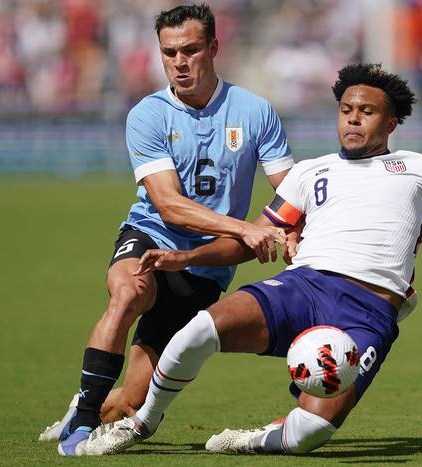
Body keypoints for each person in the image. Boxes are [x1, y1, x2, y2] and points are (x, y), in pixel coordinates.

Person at [81, 63, 422, 456]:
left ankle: (256, 439)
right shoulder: (311, 172)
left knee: (311, 435)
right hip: (303, 285)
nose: (353, 120)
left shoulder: (421, 169)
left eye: (368, 112)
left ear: (392, 121)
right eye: (346, 110)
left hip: (368, 311)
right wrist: (186, 257)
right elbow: (255, 238)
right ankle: (142, 422)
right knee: (195, 331)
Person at [48, 4, 295, 456]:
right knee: (129, 293)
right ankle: (84, 421)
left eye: (191, 50)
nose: (180, 62)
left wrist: (292, 231)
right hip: (151, 236)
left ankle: (87, 404)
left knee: (131, 401)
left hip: (205, 268)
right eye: (169, 53)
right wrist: (246, 228)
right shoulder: (148, 114)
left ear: (214, 47)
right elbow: (169, 205)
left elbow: (291, 191)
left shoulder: (255, 111)